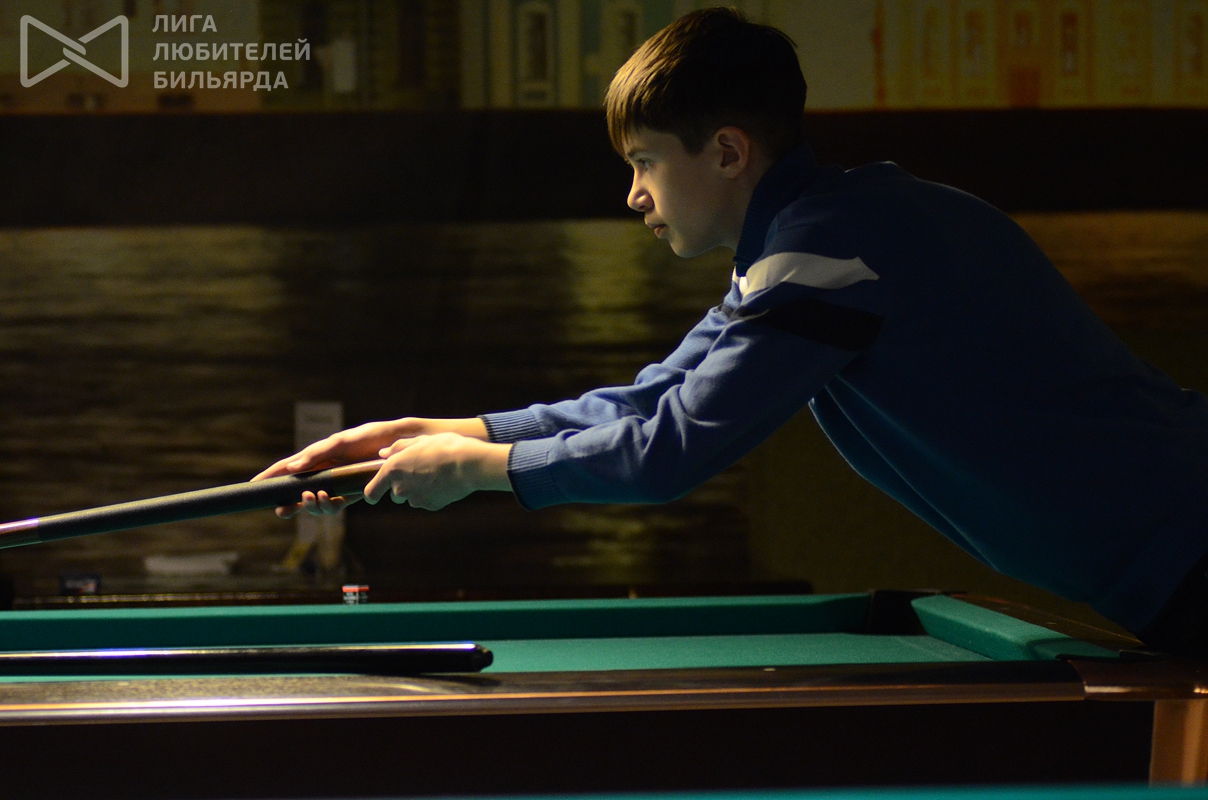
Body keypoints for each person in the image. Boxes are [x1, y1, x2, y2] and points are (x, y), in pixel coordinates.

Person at [255, 8, 1208, 654]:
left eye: (644, 162)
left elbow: (670, 450)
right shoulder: (809, 243)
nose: (634, 195)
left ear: (725, 152)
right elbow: (651, 398)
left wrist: (475, 471)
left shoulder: (828, 255)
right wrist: (440, 432)